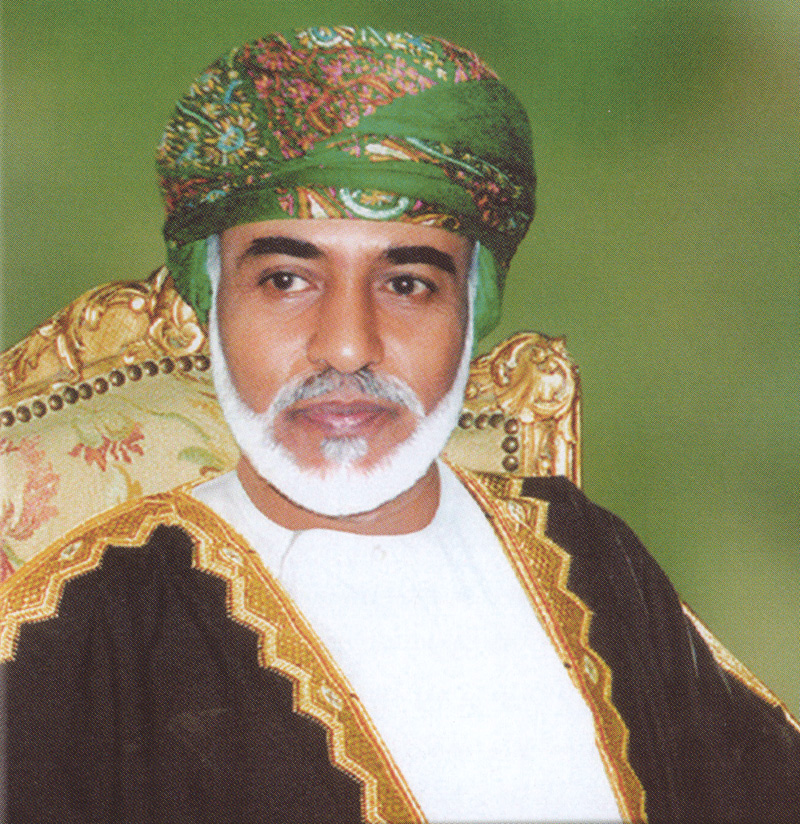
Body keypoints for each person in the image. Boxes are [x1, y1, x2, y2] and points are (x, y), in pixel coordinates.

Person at [2, 26, 798, 823]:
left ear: (473, 310)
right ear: (210, 306)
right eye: (285, 280)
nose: (348, 345)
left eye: (408, 284)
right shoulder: (85, 632)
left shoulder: (582, 554)